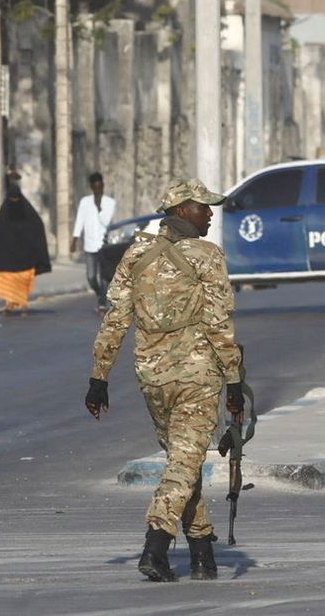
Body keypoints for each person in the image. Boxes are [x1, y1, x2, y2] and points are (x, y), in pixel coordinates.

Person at [84, 178, 245, 583]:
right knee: (184, 463)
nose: (210, 213)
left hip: (153, 378)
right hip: (197, 377)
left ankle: (203, 550)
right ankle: (155, 543)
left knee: (183, 462)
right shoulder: (208, 256)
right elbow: (218, 323)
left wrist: (99, 377)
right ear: (179, 211)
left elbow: (115, 318)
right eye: (202, 207)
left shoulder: (135, 254)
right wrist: (235, 381)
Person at [0, 182, 52, 314]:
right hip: (7, 255)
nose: (14, 202)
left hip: (25, 256)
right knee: (6, 277)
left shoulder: (28, 212)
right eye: (12, 200)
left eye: (16, 199)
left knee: (22, 279)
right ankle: (8, 304)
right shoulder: (5, 211)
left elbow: (37, 226)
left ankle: (23, 305)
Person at [73, 171, 118, 313]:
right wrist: (74, 238)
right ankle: (100, 295)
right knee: (91, 277)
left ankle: (103, 302)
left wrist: (99, 207)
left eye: (100, 187)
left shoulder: (110, 202)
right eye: (95, 187)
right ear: (92, 187)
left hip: (104, 245)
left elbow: (106, 221)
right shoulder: (84, 202)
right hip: (89, 245)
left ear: (103, 186)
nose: (98, 190)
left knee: (104, 277)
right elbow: (79, 220)